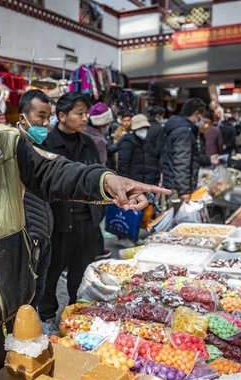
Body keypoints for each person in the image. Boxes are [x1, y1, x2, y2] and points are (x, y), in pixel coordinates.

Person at [0, 65, 168, 370]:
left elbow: (55, 172)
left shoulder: (7, 143)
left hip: (19, 297)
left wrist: (106, 182)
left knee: (22, 378)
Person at [40, 92, 106, 329]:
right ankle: (47, 318)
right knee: (51, 273)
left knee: (82, 274)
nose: (84, 118)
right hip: (59, 223)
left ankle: (77, 317)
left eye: (85, 113)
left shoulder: (88, 143)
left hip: (88, 221)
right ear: (62, 116)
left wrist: (99, 214)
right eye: (79, 113)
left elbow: (98, 176)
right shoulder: (47, 145)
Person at [16, 89, 54, 310]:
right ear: (23, 118)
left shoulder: (40, 148)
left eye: (49, 117)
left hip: (43, 237)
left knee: (35, 299)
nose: (46, 122)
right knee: (23, 303)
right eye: (41, 115)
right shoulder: (12, 149)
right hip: (26, 241)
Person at [161, 98, 218, 202]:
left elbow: (190, 157)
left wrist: (208, 159)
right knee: (180, 216)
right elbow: (181, 161)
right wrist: (184, 191)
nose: (203, 119)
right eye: (203, 115)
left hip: (174, 184)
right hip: (177, 188)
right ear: (197, 114)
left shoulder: (181, 128)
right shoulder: (184, 131)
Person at [85, 102, 114, 260]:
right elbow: (100, 166)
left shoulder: (84, 133)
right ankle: (93, 251)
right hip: (93, 184)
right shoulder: (99, 140)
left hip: (80, 182)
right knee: (93, 220)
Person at [117, 114, 160, 185]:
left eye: (145, 128)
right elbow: (123, 166)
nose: (143, 131)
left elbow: (151, 163)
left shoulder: (145, 142)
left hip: (146, 183)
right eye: (140, 128)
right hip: (133, 184)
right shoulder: (127, 143)